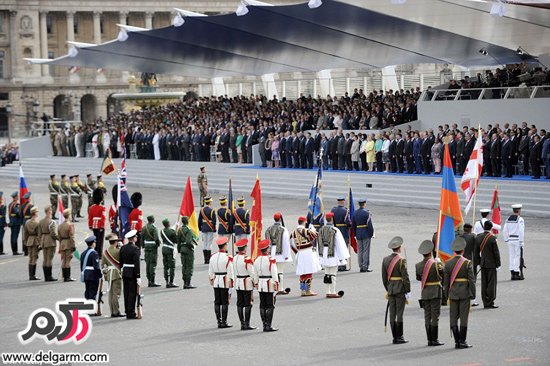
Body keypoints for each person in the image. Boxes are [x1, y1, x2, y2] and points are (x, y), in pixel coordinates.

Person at [444, 237, 475, 349]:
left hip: (453, 293)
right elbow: (471, 280)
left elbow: (446, 282)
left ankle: (457, 341)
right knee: (463, 317)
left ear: (454, 250)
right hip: (465, 293)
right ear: (463, 250)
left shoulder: (447, 263)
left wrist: (446, 294)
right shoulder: (467, 263)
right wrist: (473, 294)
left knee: (453, 317)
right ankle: (462, 341)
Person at [415, 240, 445, 347]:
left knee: (427, 316)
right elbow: (445, 274)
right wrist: (439, 262)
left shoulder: (418, 265)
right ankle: (435, 339)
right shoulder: (436, 264)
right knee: (435, 316)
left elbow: (419, 278)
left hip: (425, 292)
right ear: (431, 252)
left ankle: (429, 339)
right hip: (436, 292)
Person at [381, 236, 410, 344]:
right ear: (399, 247)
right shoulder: (402, 260)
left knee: (392, 313)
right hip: (400, 289)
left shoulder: (385, 259)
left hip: (391, 289)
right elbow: (405, 278)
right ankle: (400, 336)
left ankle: (394, 337)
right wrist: (408, 291)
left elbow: (384, 278)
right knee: (400, 313)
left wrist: (388, 288)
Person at [317, 212, 350, 298]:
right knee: (333, 274)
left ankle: (327, 291)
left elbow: (318, 243)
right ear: (332, 219)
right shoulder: (335, 230)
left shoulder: (321, 229)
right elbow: (340, 244)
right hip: (333, 253)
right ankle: (333, 291)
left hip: (324, 253)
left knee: (327, 273)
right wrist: (342, 256)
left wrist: (319, 255)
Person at [290, 216, 322, 296]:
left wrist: (297, 251)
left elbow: (291, 244)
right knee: (308, 270)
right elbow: (314, 236)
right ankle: (308, 290)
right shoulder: (305, 230)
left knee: (302, 271)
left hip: (300, 252)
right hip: (307, 252)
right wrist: (313, 228)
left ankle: (303, 290)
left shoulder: (293, 232)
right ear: (304, 222)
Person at [474, 220, 500, 309]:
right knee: (491, 283)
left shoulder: (478, 237)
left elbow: (476, 252)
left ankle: (485, 301)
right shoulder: (492, 238)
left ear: (484, 227)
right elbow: (496, 252)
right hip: (492, 264)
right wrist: (498, 264)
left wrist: (478, 262)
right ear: (491, 227)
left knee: (484, 283)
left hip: (483, 263)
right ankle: (490, 302)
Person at [209, 237, 234, 328]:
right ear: (225, 246)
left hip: (216, 280)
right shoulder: (228, 258)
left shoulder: (213, 257)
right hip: (224, 281)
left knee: (217, 301)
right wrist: (231, 282)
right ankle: (224, 321)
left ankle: (218, 321)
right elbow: (230, 272)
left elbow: (210, 270)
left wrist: (211, 279)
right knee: (224, 302)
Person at [254, 239, 279, 332]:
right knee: (270, 305)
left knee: (262, 305)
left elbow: (255, 273)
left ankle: (264, 323)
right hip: (269, 283)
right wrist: (276, 284)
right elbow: (274, 273)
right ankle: (268, 325)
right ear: (267, 249)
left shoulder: (256, 260)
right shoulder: (270, 260)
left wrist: (256, 283)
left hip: (260, 283)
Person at [264, 212, 292, 295]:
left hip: (272, 250)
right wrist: (287, 255)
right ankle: (280, 288)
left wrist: (268, 253)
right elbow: (286, 243)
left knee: (273, 271)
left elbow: (267, 241)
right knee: (280, 271)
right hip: (280, 252)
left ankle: (274, 287)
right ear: (280, 219)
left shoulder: (269, 229)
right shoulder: (283, 229)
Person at [233, 238, 257, 330]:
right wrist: (255, 282)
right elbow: (252, 273)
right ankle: (246, 323)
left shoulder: (234, 258)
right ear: (245, 248)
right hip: (246, 283)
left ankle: (242, 323)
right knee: (248, 304)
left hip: (238, 282)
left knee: (240, 303)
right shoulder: (247, 259)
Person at [101, 233, 125, 317]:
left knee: (111, 294)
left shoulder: (105, 252)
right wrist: (122, 247)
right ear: (116, 242)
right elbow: (123, 257)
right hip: (116, 273)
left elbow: (103, 265)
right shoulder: (118, 251)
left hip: (109, 274)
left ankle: (112, 310)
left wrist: (105, 274)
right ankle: (116, 311)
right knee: (116, 293)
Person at [120, 229, 141, 320]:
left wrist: (122, 269)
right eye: (136, 236)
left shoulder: (123, 248)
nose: (137, 238)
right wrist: (138, 276)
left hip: (125, 271)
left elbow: (120, 261)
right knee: (132, 293)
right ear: (133, 238)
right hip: (132, 272)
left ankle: (127, 310)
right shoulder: (135, 249)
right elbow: (137, 264)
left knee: (126, 292)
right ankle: (131, 312)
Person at [503, 204, 525, 280]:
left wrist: (506, 239)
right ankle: (516, 273)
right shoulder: (520, 219)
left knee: (511, 256)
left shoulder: (507, 219)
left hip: (510, 240)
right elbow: (521, 231)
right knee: (517, 256)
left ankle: (512, 272)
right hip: (517, 240)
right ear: (519, 210)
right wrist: (521, 241)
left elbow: (505, 230)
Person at [352, 199, 374, 272]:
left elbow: (353, 225)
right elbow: (369, 225)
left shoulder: (355, 213)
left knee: (360, 250)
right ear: (364, 204)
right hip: (366, 233)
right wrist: (371, 233)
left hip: (358, 233)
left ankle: (361, 266)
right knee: (366, 250)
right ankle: (365, 267)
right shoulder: (367, 213)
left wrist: (355, 234)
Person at [80, 235, 102, 311]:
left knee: (87, 291)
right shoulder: (94, 253)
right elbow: (96, 266)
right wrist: (100, 275)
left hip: (86, 274)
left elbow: (81, 266)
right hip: (93, 275)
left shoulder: (83, 253)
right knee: (93, 292)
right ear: (93, 243)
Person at [460, 223, 479, 307]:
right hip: (471, 260)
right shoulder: (473, 237)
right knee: (472, 280)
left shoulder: (459, 237)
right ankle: (473, 300)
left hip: (460, 261)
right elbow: (476, 249)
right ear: (471, 229)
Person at [39, 205, 58, 282]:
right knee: (49, 259)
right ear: (49, 211)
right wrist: (59, 238)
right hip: (50, 241)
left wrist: (40, 242)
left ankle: (46, 276)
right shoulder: (51, 222)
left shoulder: (41, 221)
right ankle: (49, 276)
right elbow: (53, 233)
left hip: (43, 240)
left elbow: (39, 233)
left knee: (45, 259)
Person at [177, 216, 197, 289]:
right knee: (189, 266)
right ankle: (188, 283)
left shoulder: (180, 229)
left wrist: (179, 249)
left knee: (184, 266)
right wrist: (192, 246)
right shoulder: (188, 230)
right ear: (187, 222)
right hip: (188, 250)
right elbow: (188, 242)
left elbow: (178, 241)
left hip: (182, 249)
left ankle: (185, 282)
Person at [331, 197, 350, 271]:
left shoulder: (333, 210)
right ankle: (343, 265)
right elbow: (347, 222)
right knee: (344, 248)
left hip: (335, 231)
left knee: (337, 248)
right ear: (343, 202)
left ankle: (338, 264)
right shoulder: (345, 211)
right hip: (344, 231)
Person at [142, 215, 161, 287]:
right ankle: (152, 281)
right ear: (153, 220)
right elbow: (156, 238)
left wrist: (143, 246)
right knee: (153, 263)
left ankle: (149, 280)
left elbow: (142, 238)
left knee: (148, 263)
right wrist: (158, 244)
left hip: (146, 247)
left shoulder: (144, 228)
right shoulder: (154, 228)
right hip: (153, 247)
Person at [58, 208, 76, 281]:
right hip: (68, 243)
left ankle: (64, 276)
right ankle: (67, 277)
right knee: (68, 261)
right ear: (69, 216)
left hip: (62, 243)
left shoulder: (60, 225)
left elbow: (59, 236)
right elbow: (72, 236)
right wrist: (73, 246)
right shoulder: (70, 225)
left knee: (63, 260)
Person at [88, 188, 106, 259]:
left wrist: (90, 225)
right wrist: (102, 226)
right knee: (100, 241)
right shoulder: (102, 208)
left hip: (94, 226)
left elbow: (90, 217)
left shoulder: (91, 207)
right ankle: (99, 254)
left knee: (95, 240)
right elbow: (103, 218)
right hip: (99, 226)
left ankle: (95, 253)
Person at [24, 207, 41, 281]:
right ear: (35, 213)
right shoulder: (37, 223)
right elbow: (39, 234)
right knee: (34, 258)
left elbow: (25, 234)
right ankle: (32, 275)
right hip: (35, 241)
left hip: (29, 241)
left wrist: (26, 242)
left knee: (30, 258)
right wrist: (40, 243)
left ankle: (30, 274)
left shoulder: (27, 223)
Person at [160, 218, 178, 288]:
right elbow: (176, 241)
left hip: (164, 248)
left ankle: (166, 281)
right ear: (168, 224)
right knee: (172, 266)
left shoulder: (162, 231)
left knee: (165, 266)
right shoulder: (172, 232)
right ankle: (171, 282)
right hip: (170, 249)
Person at [198, 196, 216, 264]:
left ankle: (205, 259)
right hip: (210, 228)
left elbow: (199, 220)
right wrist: (214, 229)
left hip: (204, 228)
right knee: (209, 243)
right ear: (210, 202)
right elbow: (214, 221)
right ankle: (208, 259)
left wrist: (200, 227)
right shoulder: (212, 210)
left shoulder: (202, 210)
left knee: (204, 243)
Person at [20, 192, 34, 256]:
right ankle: (29, 250)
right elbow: (33, 215)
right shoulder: (31, 206)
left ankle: (25, 251)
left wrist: (22, 222)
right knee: (30, 236)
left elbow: (21, 215)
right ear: (29, 198)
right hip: (30, 221)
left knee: (24, 236)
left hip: (24, 221)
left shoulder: (22, 206)